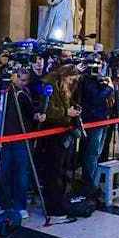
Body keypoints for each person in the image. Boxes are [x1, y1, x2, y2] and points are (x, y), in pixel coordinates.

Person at [36, 64, 82, 225]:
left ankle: (59, 203)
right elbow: (47, 110)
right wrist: (66, 112)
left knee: (60, 170)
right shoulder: (49, 86)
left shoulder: (64, 87)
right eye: (71, 79)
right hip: (52, 133)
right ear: (64, 76)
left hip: (63, 131)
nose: (71, 83)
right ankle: (54, 209)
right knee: (53, 171)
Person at [0, 69, 43, 220]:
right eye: (19, 79)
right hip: (3, 138)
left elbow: (31, 112)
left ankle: (20, 204)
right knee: (3, 173)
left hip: (21, 138)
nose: (21, 83)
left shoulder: (24, 94)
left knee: (21, 174)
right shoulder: (3, 90)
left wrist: (37, 115)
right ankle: (5, 203)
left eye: (24, 81)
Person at [76, 65, 113, 186]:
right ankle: (89, 180)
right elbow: (96, 98)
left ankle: (93, 178)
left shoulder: (96, 80)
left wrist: (104, 84)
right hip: (93, 119)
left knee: (96, 152)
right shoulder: (87, 80)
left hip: (101, 118)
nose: (99, 68)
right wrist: (109, 88)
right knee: (92, 152)